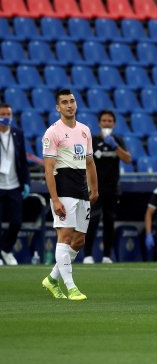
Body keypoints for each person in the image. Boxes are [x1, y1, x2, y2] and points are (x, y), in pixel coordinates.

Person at [41, 89, 98, 301]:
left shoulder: (85, 130)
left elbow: (90, 162)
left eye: (72, 101)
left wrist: (95, 188)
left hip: (82, 190)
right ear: (58, 107)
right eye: (64, 102)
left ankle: (52, 279)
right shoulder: (52, 132)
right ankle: (71, 288)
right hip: (64, 190)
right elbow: (49, 169)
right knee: (64, 238)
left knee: (79, 241)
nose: (69, 105)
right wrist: (54, 199)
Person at [83, 110, 131, 264]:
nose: (107, 123)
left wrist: (115, 146)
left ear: (114, 124)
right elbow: (85, 162)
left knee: (109, 222)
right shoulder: (92, 140)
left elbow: (127, 159)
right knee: (92, 221)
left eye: (110, 121)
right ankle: (88, 255)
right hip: (95, 188)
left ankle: (107, 256)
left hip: (112, 189)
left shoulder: (117, 140)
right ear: (99, 123)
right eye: (104, 121)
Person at [0, 104, 30, 265]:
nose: (6, 116)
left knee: (16, 222)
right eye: (3, 113)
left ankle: (5, 249)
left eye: (8, 114)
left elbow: (23, 162)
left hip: (14, 185)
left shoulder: (18, 134)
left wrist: (26, 183)